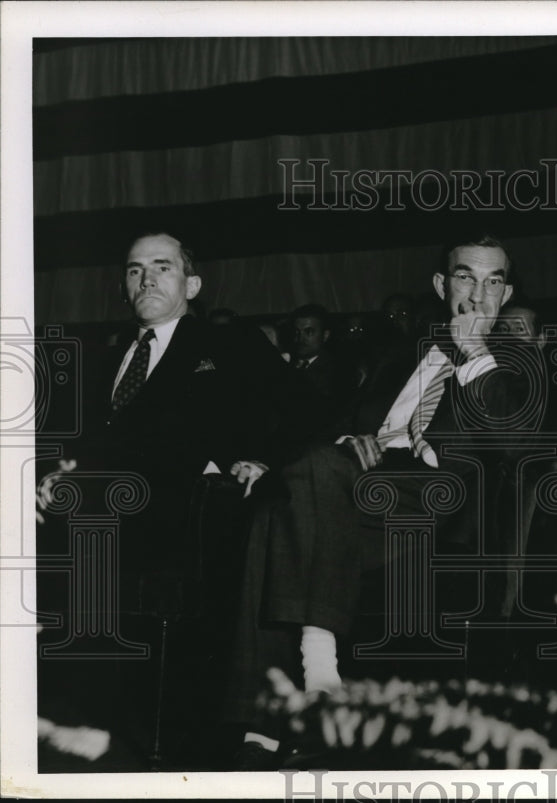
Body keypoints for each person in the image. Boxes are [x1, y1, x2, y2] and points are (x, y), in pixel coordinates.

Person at [225, 233, 529, 766]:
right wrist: (289, 461)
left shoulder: (519, 361)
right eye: (465, 277)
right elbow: (335, 429)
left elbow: (510, 438)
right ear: (441, 285)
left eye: (493, 281)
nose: (479, 294)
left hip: (439, 499)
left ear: (506, 294)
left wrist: (475, 351)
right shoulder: (397, 358)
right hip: (358, 494)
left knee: (315, 477)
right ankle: (265, 717)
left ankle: (320, 674)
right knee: (275, 505)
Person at [38, 232, 310, 768]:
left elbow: (301, 410)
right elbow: (79, 440)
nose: (147, 278)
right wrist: (53, 470)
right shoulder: (105, 358)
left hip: (176, 517)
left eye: (162, 267)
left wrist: (262, 457)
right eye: (135, 269)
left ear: (193, 283)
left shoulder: (228, 346)